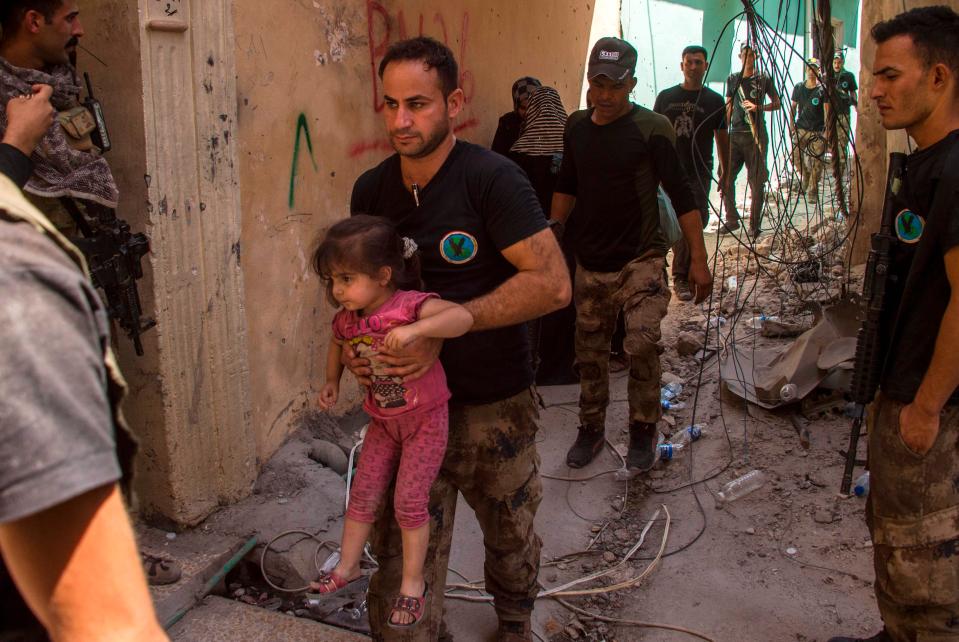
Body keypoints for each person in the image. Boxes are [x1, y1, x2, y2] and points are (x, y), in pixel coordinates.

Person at [347, 37, 570, 641]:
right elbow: (356, 289)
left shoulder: (493, 180)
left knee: (511, 538)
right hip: (407, 417)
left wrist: (445, 328)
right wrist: (358, 352)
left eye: (417, 104)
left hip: (490, 405)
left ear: (454, 102)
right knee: (401, 579)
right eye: (390, 104)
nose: (400, 120)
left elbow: (552, 285)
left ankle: (515, 622)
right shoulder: (372, 191)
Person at [0, 0, 180, 587]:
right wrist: (18, 144)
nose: (80, 28)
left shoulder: (58, 77)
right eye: (69, 17)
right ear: (32, 19)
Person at [828, 7, 959, 642]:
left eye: (888, 74)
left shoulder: (956, 171)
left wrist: (927, 405)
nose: (874, 90)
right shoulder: (925, 161)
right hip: (898, 381)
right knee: (895, 532)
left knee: (927, 550)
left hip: (930, 403)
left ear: (938, 77)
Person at [549, 36, 713, 471]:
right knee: (590, 352)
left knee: (641, 345)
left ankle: (643, 430)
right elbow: (567, 183)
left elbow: (682, 195)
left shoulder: (652, 127)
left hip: (641, 257)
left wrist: (697, 258)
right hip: (591, 260)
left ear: (632, 84)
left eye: (615, 86)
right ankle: (591, 429)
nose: (604, 95)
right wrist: (553, 234)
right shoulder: (577, 126)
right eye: (597, 84)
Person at [308, 216, 473, 630]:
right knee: (361, 495)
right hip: (383, 422)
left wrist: (420, 328)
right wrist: (332, 380)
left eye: (346, 278)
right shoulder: (349, 318)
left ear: (383, 276)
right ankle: (346, 566)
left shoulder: (408, 305)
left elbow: (461, 318)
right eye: (332, 280)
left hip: (425, 422)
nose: (338, 290)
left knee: (408, 503)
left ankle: (413, 583)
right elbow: (337, 342)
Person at [508, 86, 577, 384]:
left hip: (528, 240)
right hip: (564, 236)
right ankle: (558, 368)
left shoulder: (517, 154)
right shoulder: (573, 147)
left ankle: (526, 369)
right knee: (562, 304)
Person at [654, 44, 729, 301]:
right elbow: (653, 134)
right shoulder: (665, 97)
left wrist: (725, 171)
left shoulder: (715, 101)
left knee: (696, 221)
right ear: (682, 65)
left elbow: (722, 138)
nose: (694, 66)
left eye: (698, 62)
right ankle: (672, 276)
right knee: (666, 221)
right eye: (689, 62)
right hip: (666, 172)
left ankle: (683, 274)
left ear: (705, 66)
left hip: (698, 172)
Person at [722, 43, 781, 239]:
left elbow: (777, 103)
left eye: (751, 54)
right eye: (744, 54)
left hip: (755, 134)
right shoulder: (732, 79)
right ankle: (731, 219)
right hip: (735, 134)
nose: (748, 57)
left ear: (755, 56)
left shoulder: (762, 79)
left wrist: (758, 107)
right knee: (725, 175)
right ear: (740, 56)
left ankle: (754, 225)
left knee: (756, 180)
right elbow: (729, 106)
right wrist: (724, 130)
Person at [790, 58, 828, 204]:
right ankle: (805, 176)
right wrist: (791, 125)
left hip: (817, 131)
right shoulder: (799, 88)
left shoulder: (822, 90)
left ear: (818, 71)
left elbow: (827, 112)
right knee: (795, 156)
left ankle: (813, 191)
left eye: (814, 69)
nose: (811, 72)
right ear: (806, 70)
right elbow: (793, 107)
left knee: (817, 162)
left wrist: (826, 132)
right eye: (809, 69)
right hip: (801, 129)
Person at [491, 76, 541, 156]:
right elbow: (497, 156)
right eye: (523, 108)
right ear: (516, 107)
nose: (528, 112)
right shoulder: (507, 124)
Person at [831, 50, 858, 177]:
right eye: (835, 62)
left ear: (843, 62)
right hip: (830, 114)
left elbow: (852, 92)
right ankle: (834, 167)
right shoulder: (827, 76)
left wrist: (856, 105)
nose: (837, 65)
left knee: (842, 143)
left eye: (839, 62)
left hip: (843, 114)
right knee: (831, 143)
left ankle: (839, 174)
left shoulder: (848, 76)